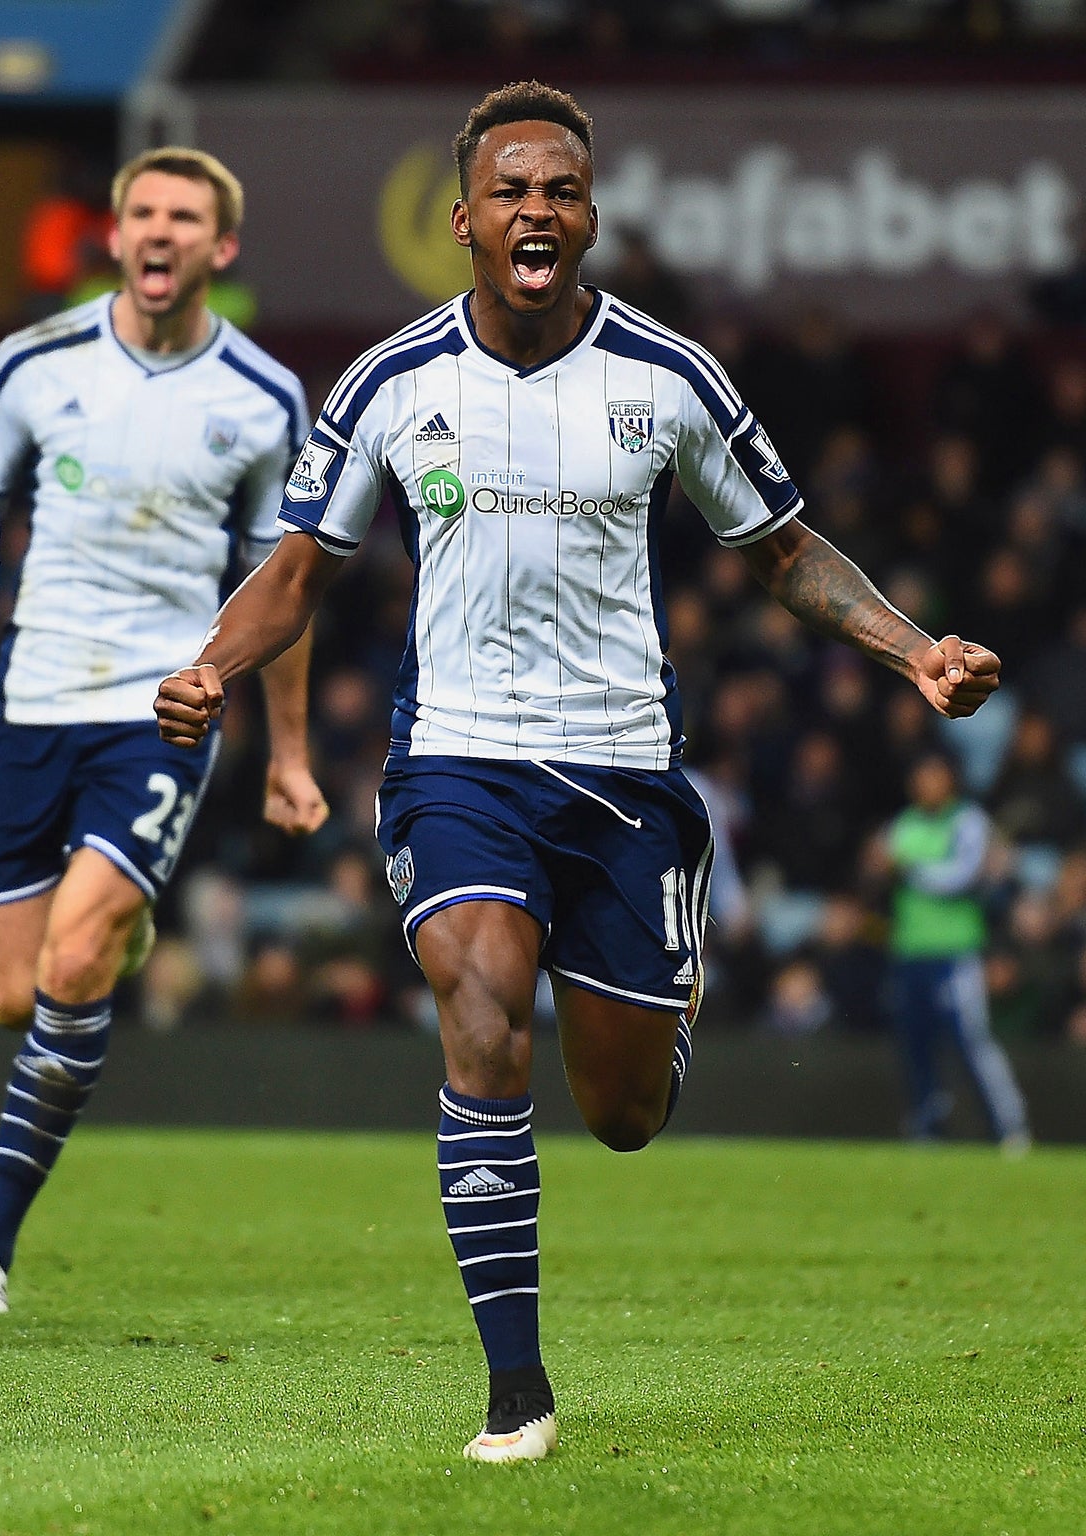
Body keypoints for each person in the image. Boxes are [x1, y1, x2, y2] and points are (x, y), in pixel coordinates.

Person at [154, 81, 1002, 1463]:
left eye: (560, 190)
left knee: (622, 1115)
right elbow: (302, 566)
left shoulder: (669, 378)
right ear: (464, 221)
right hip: (459, 762)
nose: (536, 211)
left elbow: (783, 550)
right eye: (512, 191)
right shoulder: (390, 381)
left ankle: (654, 1004)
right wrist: (212, 666)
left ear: (590, 217)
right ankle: (515, 1392)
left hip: (623, 775)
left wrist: (912, 652)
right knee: (482, 1006)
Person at [0, 147, 329, 1317]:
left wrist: (289, 755)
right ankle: (119, 930)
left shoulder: (259, 397)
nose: (159, 233)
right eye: (141, 213)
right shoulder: (32, 363)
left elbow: (283, 584)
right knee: (13, 995)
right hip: (32, 698)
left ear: (220, 247)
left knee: (67, 963)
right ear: (114, 233)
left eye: (184, 217)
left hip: (162, 707)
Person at [880, 753, 1030, 1149]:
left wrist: (907, 867)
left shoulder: (968, 821)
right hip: (912, 952)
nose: (927, 784)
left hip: (956, 953)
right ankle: (927, 1129)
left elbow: (962, 877)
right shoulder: (904, 824)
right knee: (917, 1047)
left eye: (935, 776)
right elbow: (880, 871)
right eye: (921, 776)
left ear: (950, 780)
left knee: (973, 1042)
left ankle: (1010, 1128)